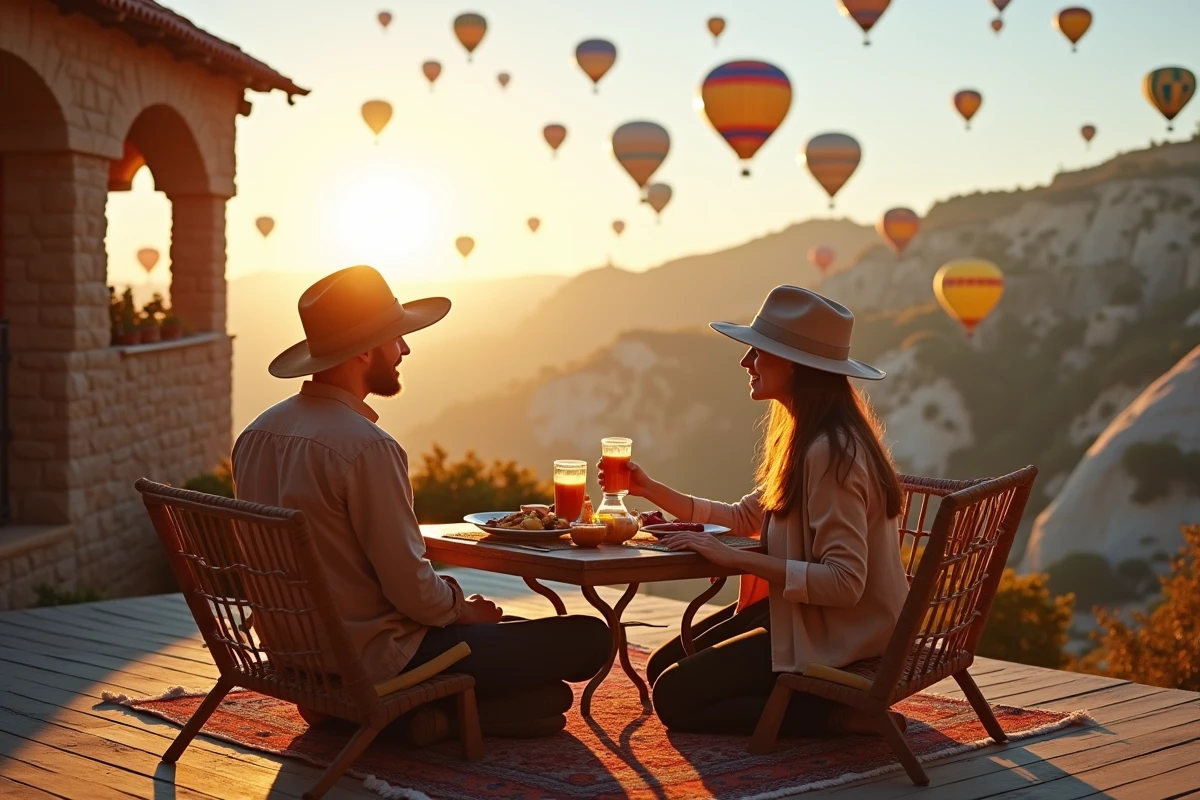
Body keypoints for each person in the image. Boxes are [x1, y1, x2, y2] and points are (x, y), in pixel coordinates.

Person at [232, 265, 608, 742]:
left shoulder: (256, 434)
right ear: (365, 350)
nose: (405, 349)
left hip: (296, 653)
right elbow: (411, 591)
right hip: (376, 660)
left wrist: (459, 611)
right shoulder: (366, 448)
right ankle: (411, 717)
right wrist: (459, 607)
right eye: (396, 339)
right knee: (587, 639)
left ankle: (409, 718)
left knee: (527, 668)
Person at [599, 285, 910, 738]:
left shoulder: (830, 451)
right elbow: (746, 517)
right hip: (804, 616)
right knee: (665, 665)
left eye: (758, 352)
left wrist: (735, 558)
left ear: (795, 365)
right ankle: (802, 700)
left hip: (839, 631)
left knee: (674, 696)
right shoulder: (808, 437)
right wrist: (651, 490)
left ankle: (838, 714)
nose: (746, 362)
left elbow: (844, 584)